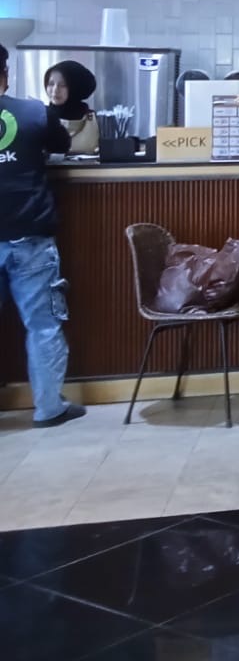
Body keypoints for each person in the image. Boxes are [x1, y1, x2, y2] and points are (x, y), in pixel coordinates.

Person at [0, 43, 85, 427]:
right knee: (42, 325)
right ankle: (49, 408)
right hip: (30, 235)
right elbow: (62, 145)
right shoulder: (34, 111)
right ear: (6, 74)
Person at [43, 60, 99, 155]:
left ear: (76, 87)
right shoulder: (41, 117)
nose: (55, 90)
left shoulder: (94, 120)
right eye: (51, 84)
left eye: (63, 85)